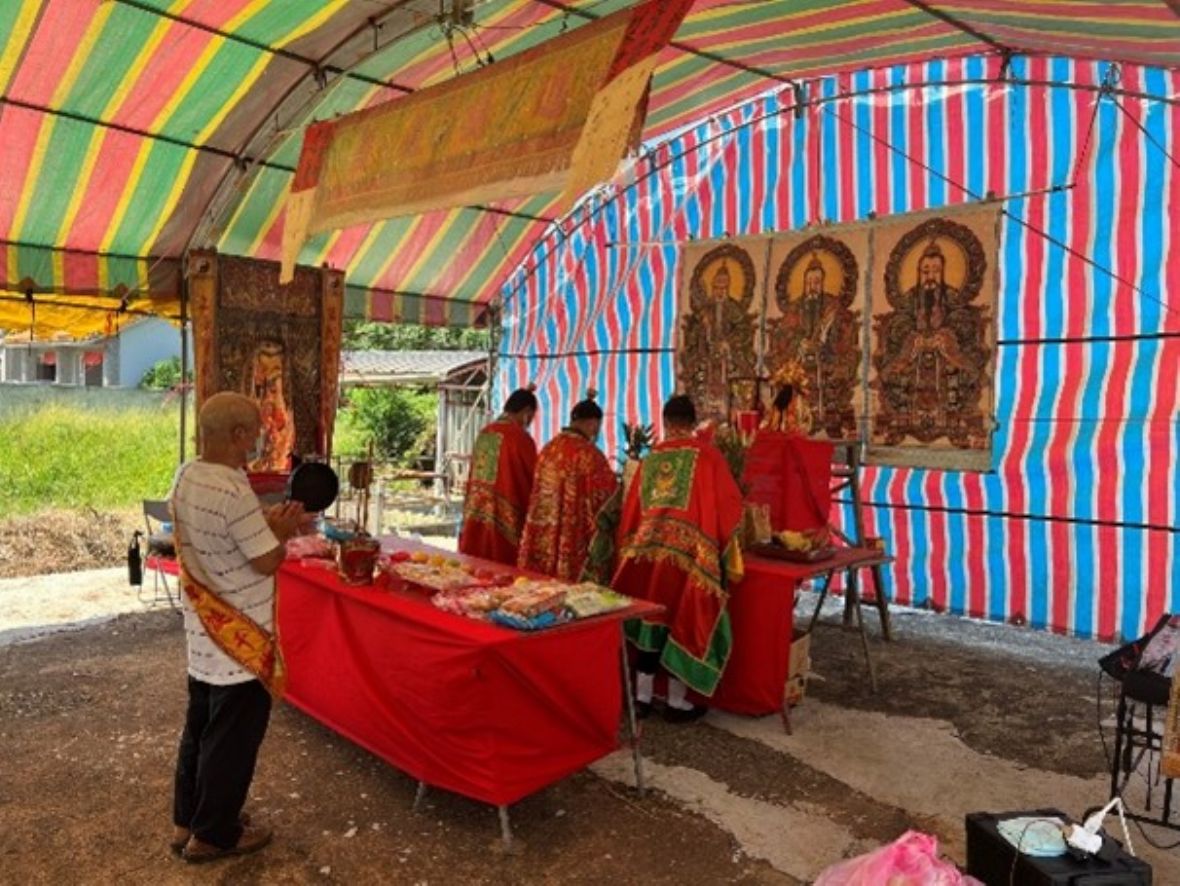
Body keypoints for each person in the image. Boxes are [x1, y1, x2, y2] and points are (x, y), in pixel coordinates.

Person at [169, 392, 307, 863]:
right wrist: (281, 533)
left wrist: (261, 524)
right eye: (253, 431)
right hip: (239, 642)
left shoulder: (186, 474)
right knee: (232, 742)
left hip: (204, 632)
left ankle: (188, 818)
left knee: (201, 730)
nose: (258, 439)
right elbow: (266, 559)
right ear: (237, 435)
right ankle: (214, 834)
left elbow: (220, 538)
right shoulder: (231, 488)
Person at [612, 395, 745, 722]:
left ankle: (641, 698)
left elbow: (631, 510)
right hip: (690, 557)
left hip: (647, 553)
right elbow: (730, 507)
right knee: (681, 621)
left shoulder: (651, 459)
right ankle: (675, 702)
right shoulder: (708, 456)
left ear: (667, 422)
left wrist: (629, 545)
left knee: (649, 621)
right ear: (692, 421)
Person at [517, 390, 618, 583]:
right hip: (571, 536)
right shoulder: (590, 455)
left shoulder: (548, 449)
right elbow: (605, 499)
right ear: (593, 424)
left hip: (542, 531)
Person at [458, 387, 539, 565]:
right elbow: (535, 479)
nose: (530, 422)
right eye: (531, 417)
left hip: (476, 509)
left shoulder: (485, 432)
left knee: (473, 562)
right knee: (501, 567)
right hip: (506, 514)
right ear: (526, 412)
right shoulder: (521, 438)